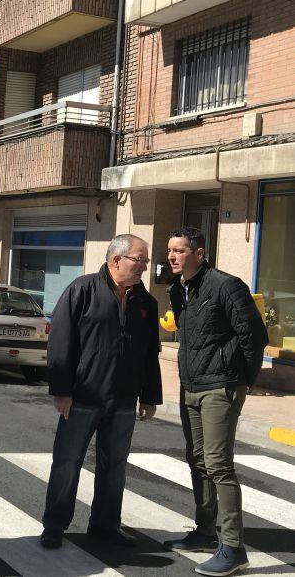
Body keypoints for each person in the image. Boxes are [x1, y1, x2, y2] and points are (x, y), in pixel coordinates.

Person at [40, 234, 162, 550]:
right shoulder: (81, 290)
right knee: (67, 463)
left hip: (123, 399)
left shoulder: (146, 302)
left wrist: (150, 396)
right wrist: (62, 391)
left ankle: (106, 525)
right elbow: (60, 343)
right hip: (82, 397)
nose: (144, 267)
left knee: (115, 465)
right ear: (116, 259)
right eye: (140, 259)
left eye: (146, 261)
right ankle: (54, 526)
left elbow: (150, 353)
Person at [163, 227, 267, 577]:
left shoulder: (226, 285)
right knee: (197, 459)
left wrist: (242, 381)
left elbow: (255, 336)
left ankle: (233, 548)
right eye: (170, 251)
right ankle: (206, 532)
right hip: (191, 385)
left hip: (221, 386)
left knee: (219, 464)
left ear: (200, 253)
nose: (172, 257)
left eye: (179, 250)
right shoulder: (180, 290)